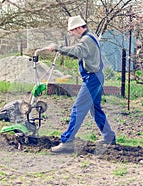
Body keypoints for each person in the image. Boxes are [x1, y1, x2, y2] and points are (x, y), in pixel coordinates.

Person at [47, 15, 116, 153]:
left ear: (79, 28)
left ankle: (67, 142)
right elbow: (79, 53)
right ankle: (109, 136)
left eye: (72, 30)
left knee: (78, 109)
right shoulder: (92, 36)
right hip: (97, 77)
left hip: (92, 79)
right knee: (95, 108)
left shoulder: (86, 39)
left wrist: (58, 48)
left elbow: (77, 51)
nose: (72, 34)